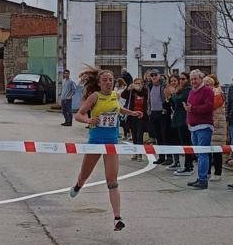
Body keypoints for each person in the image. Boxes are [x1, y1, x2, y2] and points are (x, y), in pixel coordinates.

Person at [69, 69, 142, 231]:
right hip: (95, 141)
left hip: (111, 143)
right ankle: (78, 185)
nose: (109, 83)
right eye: (106, 80)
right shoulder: (94, 97)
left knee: (112, 180)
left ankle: (117, 218)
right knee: (84, 175)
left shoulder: (115, 96)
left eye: (111, 80)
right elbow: (78, 115)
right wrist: (89, 119)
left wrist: (132, 113)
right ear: (100, 82)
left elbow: (118, 110)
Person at [184, 70, 216, 189]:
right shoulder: (192, 91)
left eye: (195, 79)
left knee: (202, 154)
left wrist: (193, 109)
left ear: (201, 79)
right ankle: (200, 177)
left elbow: (209, 107)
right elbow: (189, 108)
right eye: (191, 79)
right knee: (198, 154)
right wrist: (188, 121)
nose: (193, 81)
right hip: (193, 126)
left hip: (204, 126)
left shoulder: (207, 90)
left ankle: (203, 179)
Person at [145, 70, 169, 164]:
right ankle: (161, 157)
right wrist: (149, 110)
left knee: (165, 136)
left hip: (163, 113)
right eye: (152, 75)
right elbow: (149, 98)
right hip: (153, 113)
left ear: (160, 76)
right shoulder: (149, 86)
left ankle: (169, 157)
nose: (154, 76)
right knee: (158, 136)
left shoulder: (164, 85)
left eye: (156, 75)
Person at [167, 74, 189, 173]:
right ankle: (178, 162)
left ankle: (188, 166)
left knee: (185, 144)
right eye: (180, 79)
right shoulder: (180, 90)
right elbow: (171, 102)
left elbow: (178, 99)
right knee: (175, 141)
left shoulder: (187, 90)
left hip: (184, 120)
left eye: (183, 79)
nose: (180, 81)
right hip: (176, 119)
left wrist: (173, 94)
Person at [206, 76, 226, 180]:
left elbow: (211, 106)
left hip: (217, 125)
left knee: (217, 151)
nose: (206, 86)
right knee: (207, 150)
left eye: (208, 84)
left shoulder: (218, 93)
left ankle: (218, 173)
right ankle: (208, 172)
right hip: (210, 123)